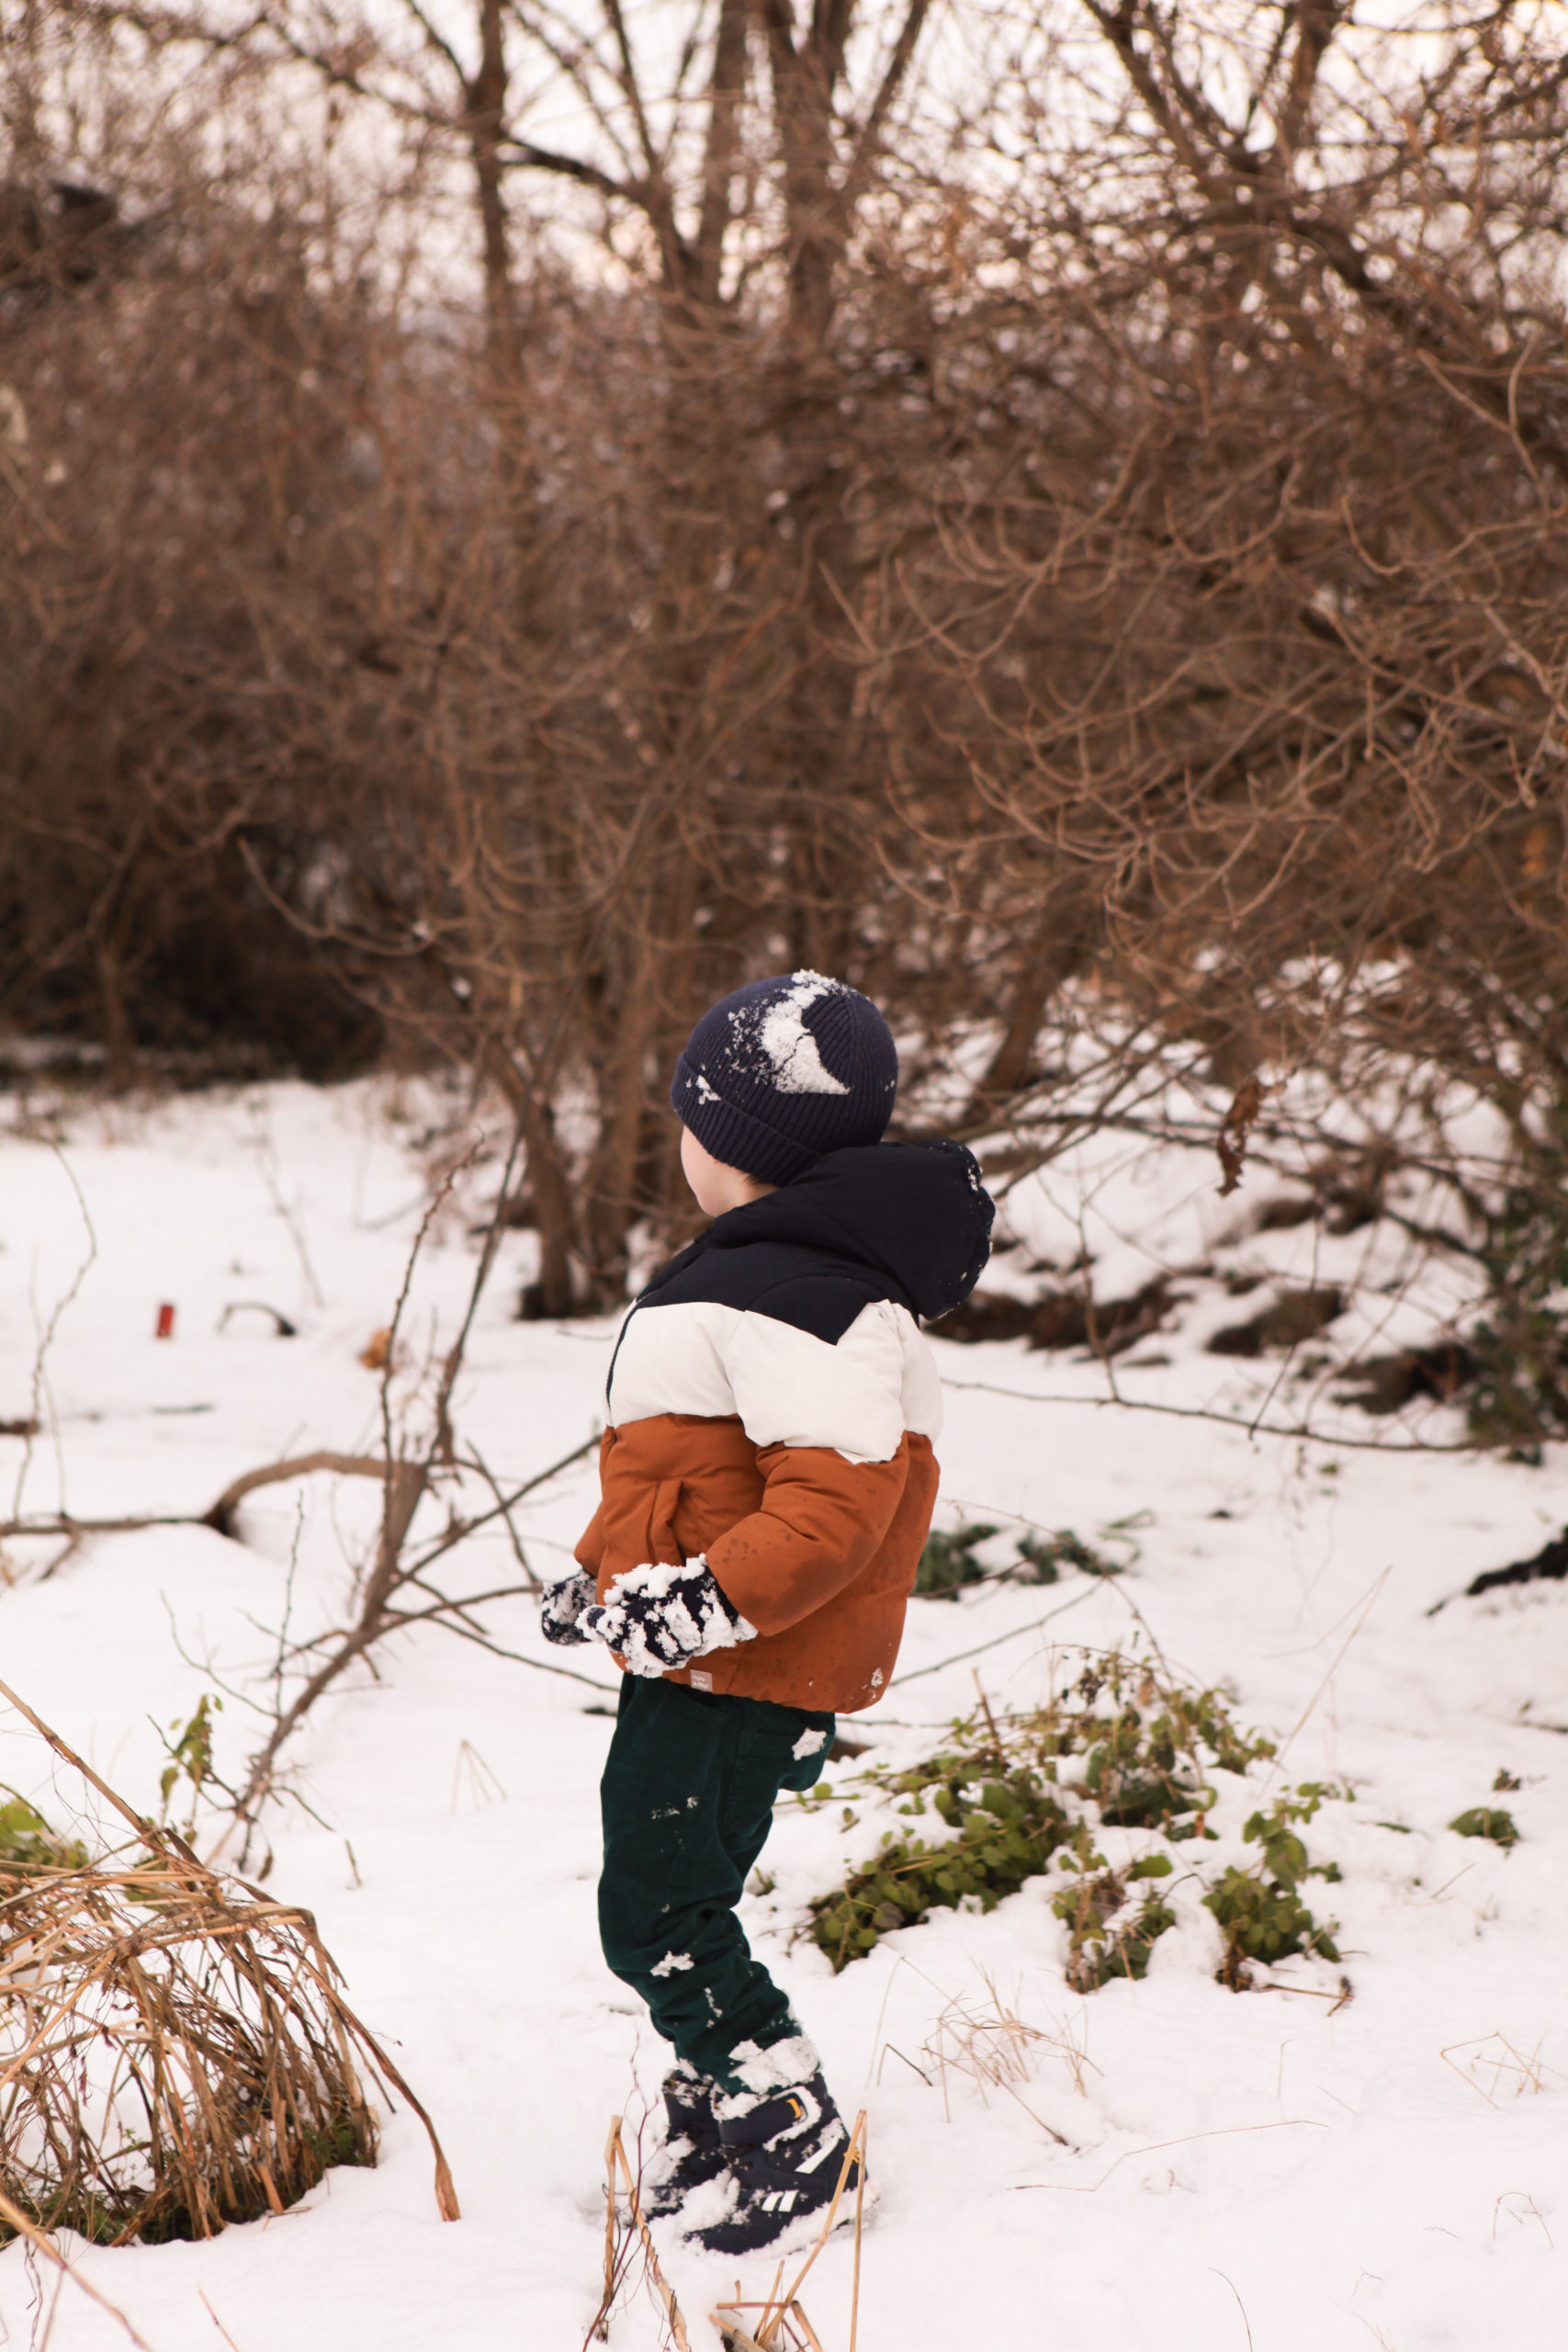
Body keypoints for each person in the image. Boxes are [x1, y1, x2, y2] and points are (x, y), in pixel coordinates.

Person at [540, 970, 994, 2255]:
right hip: (718, 1660)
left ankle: (786, 2131)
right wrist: (611, 1578)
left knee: (654, 1912)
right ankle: (713, 2120)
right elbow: (693, 1480)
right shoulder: (773, 1276)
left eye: (688, 1115)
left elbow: (832, 1506)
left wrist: (701, 1606)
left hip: (740, 1668)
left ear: (730, 1138)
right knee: (684, 1897)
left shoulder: (804, 1293)